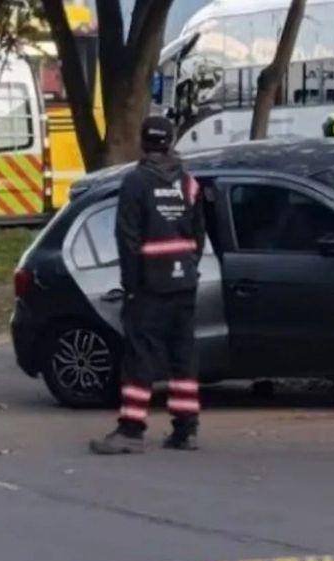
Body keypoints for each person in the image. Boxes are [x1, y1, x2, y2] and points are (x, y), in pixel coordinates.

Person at [90, 116, 205, 455]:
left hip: (149, 284)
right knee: (183, 356)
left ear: (143, 142)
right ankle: (186, 429)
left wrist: (131, 285)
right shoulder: (188, 182)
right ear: (169, 143)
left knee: (139, 357)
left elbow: (127, 239)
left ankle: (131, 430)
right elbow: (198, 233)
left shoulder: (136, 183)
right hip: (184, 281)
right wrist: (188, 267)